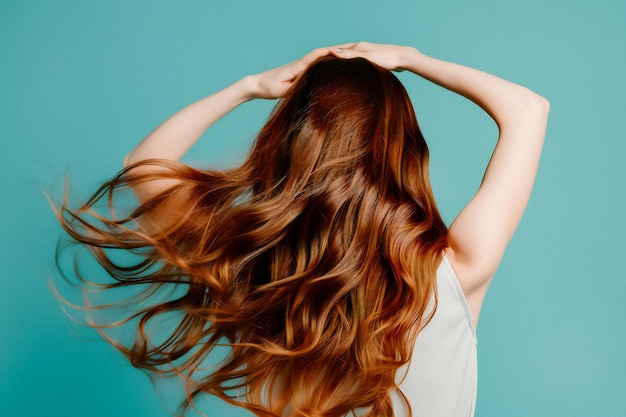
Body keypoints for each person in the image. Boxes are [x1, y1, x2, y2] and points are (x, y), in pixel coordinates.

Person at [55, 42, 549, 417]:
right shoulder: (457, 270)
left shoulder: (256, 268)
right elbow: (528, 109)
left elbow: (142, 166)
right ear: (404, 152)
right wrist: (410, 59)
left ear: (290, 147)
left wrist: (248, 87)